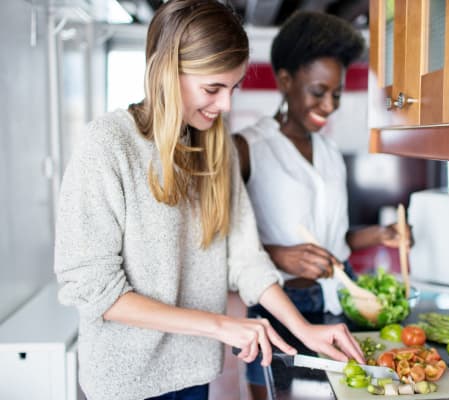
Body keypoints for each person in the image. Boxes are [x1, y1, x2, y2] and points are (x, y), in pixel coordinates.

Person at [53, 2, 365, 400]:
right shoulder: (109, 144)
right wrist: (219, 325)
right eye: (212, 88)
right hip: (125, 380)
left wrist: (304, 328)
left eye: (232, 88)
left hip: (194, 371)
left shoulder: (218, 150)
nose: (226, 106)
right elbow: (94, 289)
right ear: (167, 71)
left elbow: (245, 258)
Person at [233, 10, 412, 399]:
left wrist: (382, 235)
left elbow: (334, 238)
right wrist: (279, 255)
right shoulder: (247, 148)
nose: (330, 105)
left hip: (336, 300)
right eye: (318, 91)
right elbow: (220, 245)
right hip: (278, 309)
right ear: (285, 80)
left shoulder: (330, 152)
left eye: (337, 93)